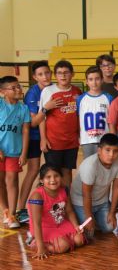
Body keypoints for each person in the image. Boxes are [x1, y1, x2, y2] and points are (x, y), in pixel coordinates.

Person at [17, 61, 58, 225]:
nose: (45, 77)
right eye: (40, 74)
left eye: (47, 73)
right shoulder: (32, 94)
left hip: (52, 136)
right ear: (34, 77)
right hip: (34, 137)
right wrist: (46, 108)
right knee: (33, 170)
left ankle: (47, 205)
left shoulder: (54, 89)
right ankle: (20, 209)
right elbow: (33, 122)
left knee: (51, 172)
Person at [71, 133, 118, 237]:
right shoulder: (90, 165)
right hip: (81, 201)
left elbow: (117, 188)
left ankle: (96, 219)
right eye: (107, 150)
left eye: (115, 151)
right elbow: (87, 194)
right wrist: (88, 217)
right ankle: (78, 216)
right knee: (89, 234)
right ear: (99, 151)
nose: (111, 155)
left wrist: (112, 213)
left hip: (101, 201)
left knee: (110, 227)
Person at [28, 164, 85, 259]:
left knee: (80, 240)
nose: (53, 180)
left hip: (60, 223)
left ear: (61, 177)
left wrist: (76, 226)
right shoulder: (37, 196)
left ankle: (58, 239)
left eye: (56, 176)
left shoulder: (64, 190)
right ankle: (35, 243)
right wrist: (41, 247)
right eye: (48, 177)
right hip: (44, 227)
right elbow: (36, 223)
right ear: (41, 180)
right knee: (62, 246)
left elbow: (70, 211)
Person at [39, 60, 82, 188]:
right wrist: (43, 139)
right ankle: (53, 202)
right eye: (59, 73)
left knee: (67, 171)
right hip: (53, 141)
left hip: (71, 141)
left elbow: (78, 115)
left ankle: (67, 200)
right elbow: (41, 117)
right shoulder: (48, 91)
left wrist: (79, 135)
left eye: (66, 73)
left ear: (72, 74)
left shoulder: (77, 92)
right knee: (53, 173)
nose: (63, 76)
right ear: (55, 75)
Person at [0, 76, 30, 228]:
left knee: (12, 180)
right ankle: (5, 210)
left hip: (14, 152)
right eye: (14, 87)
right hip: (0, 151)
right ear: (3, 92)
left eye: (19, 86)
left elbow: (25, 131)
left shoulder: (23, 108)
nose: (19, 89)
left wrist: (24, 153)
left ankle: (12, 214)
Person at [77, 66, 112, 158]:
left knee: (104, 166)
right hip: (87, 140)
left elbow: (111, 120)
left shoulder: (108, 98)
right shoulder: (81, 99)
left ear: (102, 80)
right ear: (86, 81)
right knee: (89, 167)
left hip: (104, 140)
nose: (94, 82)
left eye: (97, 79)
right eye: (91, 79)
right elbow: (77, 119)